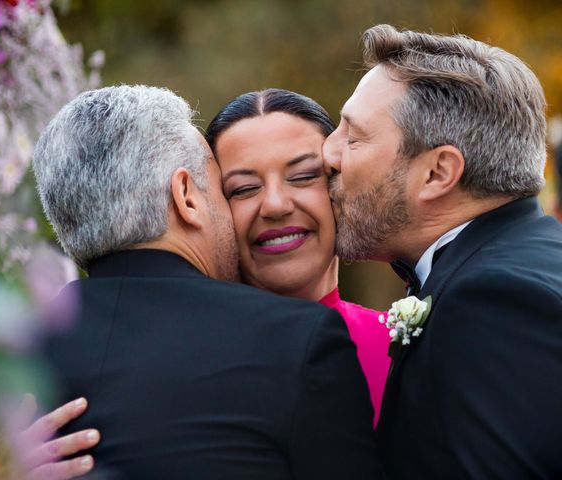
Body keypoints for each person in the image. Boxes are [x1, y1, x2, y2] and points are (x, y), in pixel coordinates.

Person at [30, 85, 380, 479]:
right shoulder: (294, 342)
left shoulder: (7, 352)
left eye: (303, 175)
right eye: (237, 189)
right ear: (186, 195)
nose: (276, 205)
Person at [323, 24, 562, 479]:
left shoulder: (496, 302)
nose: (327, 153)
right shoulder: (523, 263)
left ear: (437, 173)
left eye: (353, 137)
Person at [204, 88, 391, 424]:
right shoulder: (187, 362)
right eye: (244, 189)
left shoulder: (408, 349)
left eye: (303, 177)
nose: (275, 205)